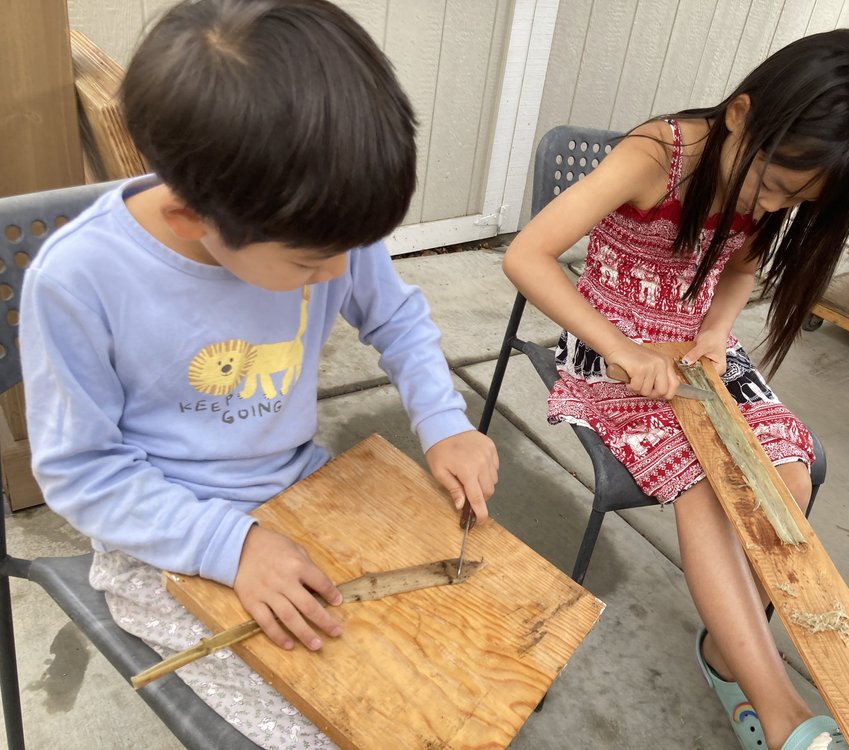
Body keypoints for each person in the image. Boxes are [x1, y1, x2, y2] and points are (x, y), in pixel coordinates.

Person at [21, 1, 498, 748]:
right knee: (330, 727)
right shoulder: (80, 279)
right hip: (164, 537)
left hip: (303, 488)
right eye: (311, 264)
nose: (341, 275)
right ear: (189, 218)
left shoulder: (318, 216)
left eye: (354, 246)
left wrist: (444, 422)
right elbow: (82, 472)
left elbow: (396, 318)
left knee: (460, 669)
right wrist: (231, 546)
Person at [503, 29, 849, 750]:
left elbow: (743, 269)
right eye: (776, 186)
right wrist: (622, 348)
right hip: (610, 344)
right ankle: (778, 709)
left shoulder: (768, 179)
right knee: (702, 483)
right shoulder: (656, 158)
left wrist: (718, 328)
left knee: (785, 472)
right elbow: (527, 256)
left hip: (698, 349)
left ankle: (727, 655)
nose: (774, 206)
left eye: (795, 199)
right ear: (742, 115)